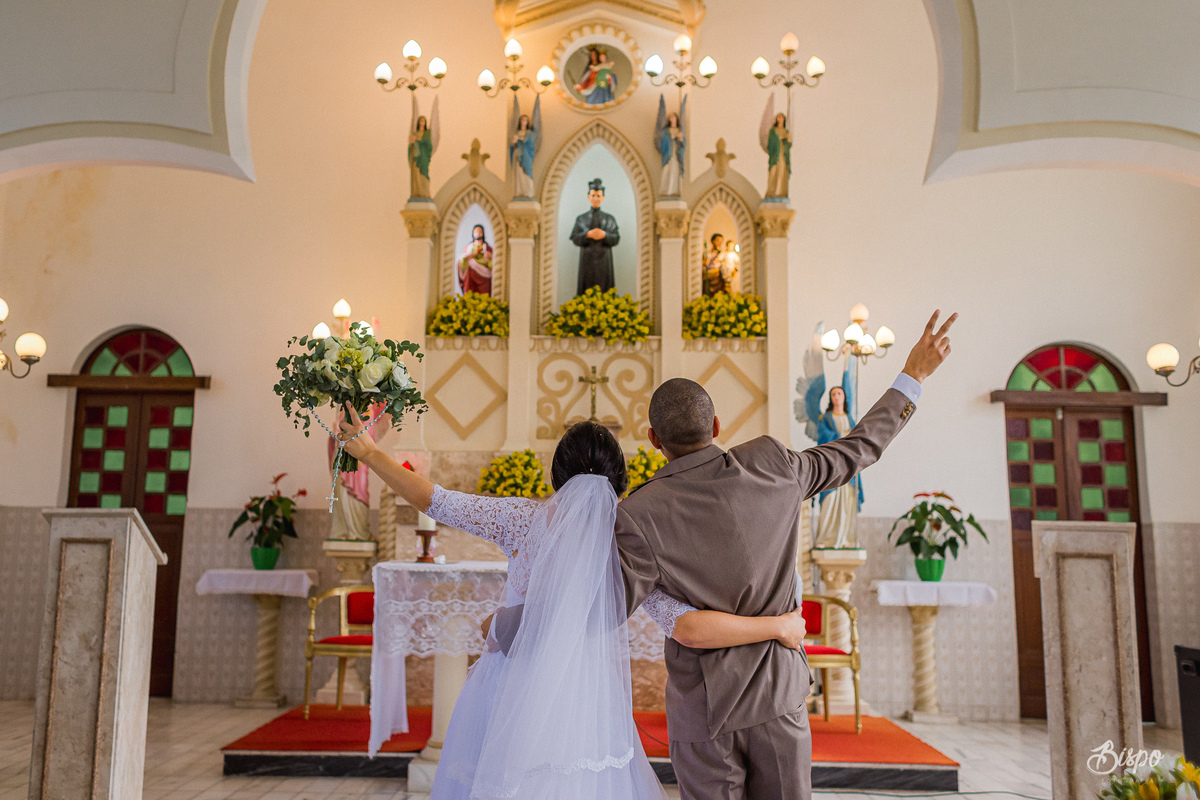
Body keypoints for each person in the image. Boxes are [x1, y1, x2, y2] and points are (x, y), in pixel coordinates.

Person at [493, 310, 958, 800]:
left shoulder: (640, 513)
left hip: (705, 710)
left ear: (654, 441)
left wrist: (508, 627)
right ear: (716, 424)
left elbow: (599, 606)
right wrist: (914, 375)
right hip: (778, 694)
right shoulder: (775, 464)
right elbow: (858, 448)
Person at [337, 414, 810, 800]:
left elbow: (438, 501)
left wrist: (371, 454)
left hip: (512, 685)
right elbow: (685, 625)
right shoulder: (628, 542)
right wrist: (778, 626)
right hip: (589, 698)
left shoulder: (521, 520)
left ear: (557, 472)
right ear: (620, 477)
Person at [804, 364, 861, 547]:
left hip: (849, 465)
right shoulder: (826, 418)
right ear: (830, 398)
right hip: (834, 464)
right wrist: (841, 437)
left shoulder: (850, 417)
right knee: (830, 500)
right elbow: (823, 439)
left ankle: (846, 538)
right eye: (834, 394)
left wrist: (847, 361)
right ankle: (827, 538)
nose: (837, 397)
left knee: (847, 501)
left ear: (844, 397)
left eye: (840, 394)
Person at [569, 178, 621, 295]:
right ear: (589, 197)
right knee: (586, 287)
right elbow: (575, 237)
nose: (595, 199)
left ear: (602, 197)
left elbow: (616, 238)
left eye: (598, 196)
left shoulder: (609, 219)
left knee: (605, 287)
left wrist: (604, 235)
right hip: (587, 259)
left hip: (604, 259)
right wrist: (587, 234)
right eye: (593, 195)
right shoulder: (581, 219)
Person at [457, 224, 493, 296]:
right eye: (476, 231)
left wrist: (489, 257)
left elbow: (494, 260)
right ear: (473, 233)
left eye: (480, 232)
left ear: (483, 233)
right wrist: (468, 257)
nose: (478, 233)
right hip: (471, 275)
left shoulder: (487, 248)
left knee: (484, 294)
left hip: (484, 275)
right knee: (470, 293)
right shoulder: (468, 248)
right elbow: (462, 260)